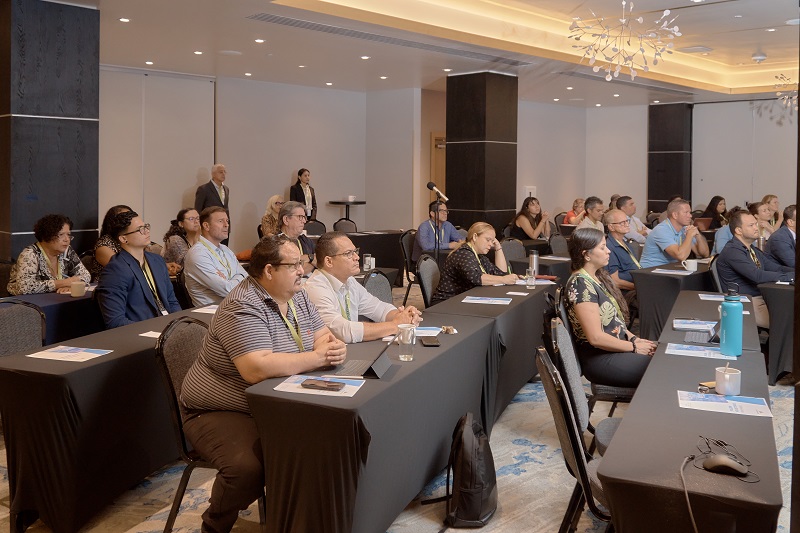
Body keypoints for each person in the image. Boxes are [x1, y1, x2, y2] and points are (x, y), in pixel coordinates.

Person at [180, 234, 346, 533]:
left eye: (302, 263)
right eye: (294, 265)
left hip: (272, 402)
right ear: (269, 270)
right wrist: (319, 358)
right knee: (248, 469)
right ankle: (214, 526)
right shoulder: (242, 305)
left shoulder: (298, 294)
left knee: (322, 443)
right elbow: (256, 367)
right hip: (221, 409)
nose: (302, 270)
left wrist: (331, 348)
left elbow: (321, 335)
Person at [564, 228, 657, 388]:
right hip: (600, 358)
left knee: (663, 356)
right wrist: (634, 347)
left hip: (615, 349)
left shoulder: (597, 277)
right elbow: (596, 338)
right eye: (602, 247)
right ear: (586, 254)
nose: (608, 251)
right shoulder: (580, 285)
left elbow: (614, 322)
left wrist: (634, 338)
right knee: (661, 368)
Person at [305, 232, 422, 342]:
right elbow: (341, 331)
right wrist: (394, 325)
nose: (357, 257)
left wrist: (403, 316)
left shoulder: (350, 282)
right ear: (329, 261)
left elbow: (379, 308)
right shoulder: (316, 288)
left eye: (355, 251)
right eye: (348, 253)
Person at [95, 211, 181, 328]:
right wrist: (152, 330)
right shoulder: (115, 270)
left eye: (146, 226)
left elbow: (172, 302)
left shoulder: (157, 261)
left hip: (168, 327)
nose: (147, 231)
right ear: (124, 239)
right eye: (140, 229)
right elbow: (115, 321)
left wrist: (179, 324)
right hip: (142, 332)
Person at [715, 210, 794, 329]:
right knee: (789, 323)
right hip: (746, 302)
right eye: (751, 225)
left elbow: (775, 267)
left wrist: (794, 273)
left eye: (755, 224)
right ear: (738, 230)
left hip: (762, 297)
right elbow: (757, 276)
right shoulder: (732, 251)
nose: (756, 228)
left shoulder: (752, 249)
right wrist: (790, 277)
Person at [430, 222, 518, 305]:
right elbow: (476, 278)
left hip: (462, 299)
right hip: (446, 302)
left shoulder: (479, 256)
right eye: (488, 240)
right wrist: (504, 280)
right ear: (475, 237)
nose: (491, 244)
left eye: (492, 241)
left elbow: (500, 272)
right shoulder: (463, 253)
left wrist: (498, 248)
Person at [8, 214, 91, 295]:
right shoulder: (29, 254)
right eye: (61, 235)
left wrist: (70, 286)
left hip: (55, 298)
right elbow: (24, 288)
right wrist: (63, 283)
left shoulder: (67, 251)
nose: (66, 239)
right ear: (46, 236)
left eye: (68, 235)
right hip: (25, 304)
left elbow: (86, 275)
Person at [183, 207, 248, 306]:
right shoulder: (197, 254)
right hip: (212, 315)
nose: (226, 225)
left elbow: (248, 280)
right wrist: (238, 277)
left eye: (227, 221)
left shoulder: (226, 250)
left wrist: (231, 280)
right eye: (221, 221)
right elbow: (228, 290)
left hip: (236, 308)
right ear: (206, 226)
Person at [640, 198, 709, 268]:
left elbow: (704, 254)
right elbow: (681, 256)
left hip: (671, 269)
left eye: (690, 212)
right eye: (686, 212)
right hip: (651, 271)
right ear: (675, 215)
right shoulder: (661, 230)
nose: (690, 216)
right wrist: (689, 236)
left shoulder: (685, 228)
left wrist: (698, 236)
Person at [603, 210, 640, 311]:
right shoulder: (610, 247)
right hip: (626, 292)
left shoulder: (625, 243)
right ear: (611, 227)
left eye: (627, 221)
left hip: (637, 285)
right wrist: (639, 287)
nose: (627, 224)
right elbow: (615, 281)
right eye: (621, 222)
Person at [89, 204, 132, 282]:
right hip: (108, 286)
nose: (129, 221)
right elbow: (122, 270)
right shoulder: (103, 245)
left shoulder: (131, 239)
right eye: (124, 218)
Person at [277, 200, 316, 276]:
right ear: (286, 220)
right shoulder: (276, 243)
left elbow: (319, 261)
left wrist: (310, 258)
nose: (304, 221)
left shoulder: (306, 241)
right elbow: (290, 272)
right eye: (300, 217)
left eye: (304, 217)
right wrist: (311, 260)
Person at [195, 164, 230, 245]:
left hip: (224, 227)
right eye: (221, 172)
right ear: (213, 174)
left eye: (225, 172)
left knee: (223, 250)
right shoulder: (204, 189)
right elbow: (198, 210)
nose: (223, 174)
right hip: (210, 228)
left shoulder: (226, 189)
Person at [162, 208, 201, 275]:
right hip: (174, 282)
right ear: (181, 224)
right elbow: (190, 263)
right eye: (191, 219)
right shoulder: (175, 240)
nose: (196, 222)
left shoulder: (201, 239)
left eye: (198, 218)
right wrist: (197, 237)